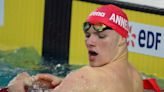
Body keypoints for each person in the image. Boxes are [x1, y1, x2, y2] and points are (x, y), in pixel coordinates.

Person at [7, 4, 143, 92]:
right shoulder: (135, 77)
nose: (90, 42)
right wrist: (64, 84)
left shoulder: (85, 77)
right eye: (88, 35)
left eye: (101, 36)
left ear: (122, 39)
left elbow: (88, 81)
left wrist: (18, 87)